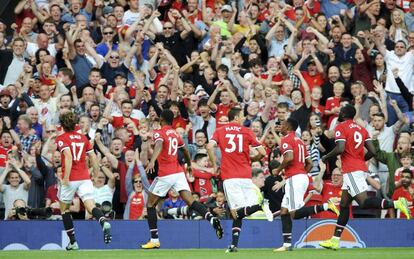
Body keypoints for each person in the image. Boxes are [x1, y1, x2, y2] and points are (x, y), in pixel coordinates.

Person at [319, 105, 411, 250]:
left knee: (363, 202)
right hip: (357, 168)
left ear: (343, 114)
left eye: (341, 110)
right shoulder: (362, 129)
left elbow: (341, 148)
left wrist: (326, 156)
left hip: (351, 171)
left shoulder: (341, 127)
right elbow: (373, 151)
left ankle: (397, 203)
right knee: (343, 205)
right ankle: (335, 240)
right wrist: (360, 159)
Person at [141, 109, 223, 249]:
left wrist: (152, 161)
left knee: (149, 205)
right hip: (179, 172)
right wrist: (190, 165)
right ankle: (211, 218)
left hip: (166, 174)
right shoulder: (175, 134)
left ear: (161, 119)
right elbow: (184, 150)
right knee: (190, 201)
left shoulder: (159, 133)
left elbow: (159, 145)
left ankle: (154, 240)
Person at [206, 107, 272, 253]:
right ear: (236, 117)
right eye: (241, 116)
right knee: (243, 212)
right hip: (245, 176)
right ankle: (234, 245)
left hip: (230, 177)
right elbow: (262, 152)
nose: (243, 118)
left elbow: (209, 146)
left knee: (236, 212)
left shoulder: (220, 130)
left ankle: (261, 205)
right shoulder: (246, 131)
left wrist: (215, 164)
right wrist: (254, 158)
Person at [273, 118, 339, 252]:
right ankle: (286, 244)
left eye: (283, 124)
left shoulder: (287, 139)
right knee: (284, 211)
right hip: (301, 176)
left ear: (288, 127)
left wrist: (278, 169)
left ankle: (326, 205)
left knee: (294, 213)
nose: (281, 126)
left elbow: (289, 157)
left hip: (294, 178)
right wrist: (302, 174)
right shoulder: (300, 141)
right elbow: (309, 163)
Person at [55, 111, 111, 250]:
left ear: (62, 125)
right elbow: (92, 157)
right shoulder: (83, 138)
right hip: (84, 177)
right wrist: (96, 173)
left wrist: (66, 177)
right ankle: (103, 220)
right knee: (91, 207)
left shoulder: (61, 138)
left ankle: (73, 242)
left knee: (64, 210)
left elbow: (68, 156)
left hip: (71, 178)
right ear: (75, 124)